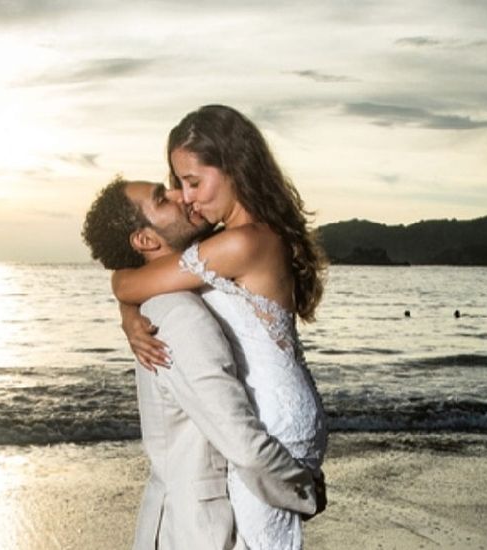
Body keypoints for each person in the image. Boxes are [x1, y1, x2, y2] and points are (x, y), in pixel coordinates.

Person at [112, 105, 328, 550]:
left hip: (275, 417)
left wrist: (128, 310)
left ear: (234, 168)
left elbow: (129, 279)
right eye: (178, 185)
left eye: (194, 182)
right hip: (280, 405)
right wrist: (130, 314)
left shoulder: (240, 243)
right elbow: (140, 280)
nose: (186, 198)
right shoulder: (237, 238)